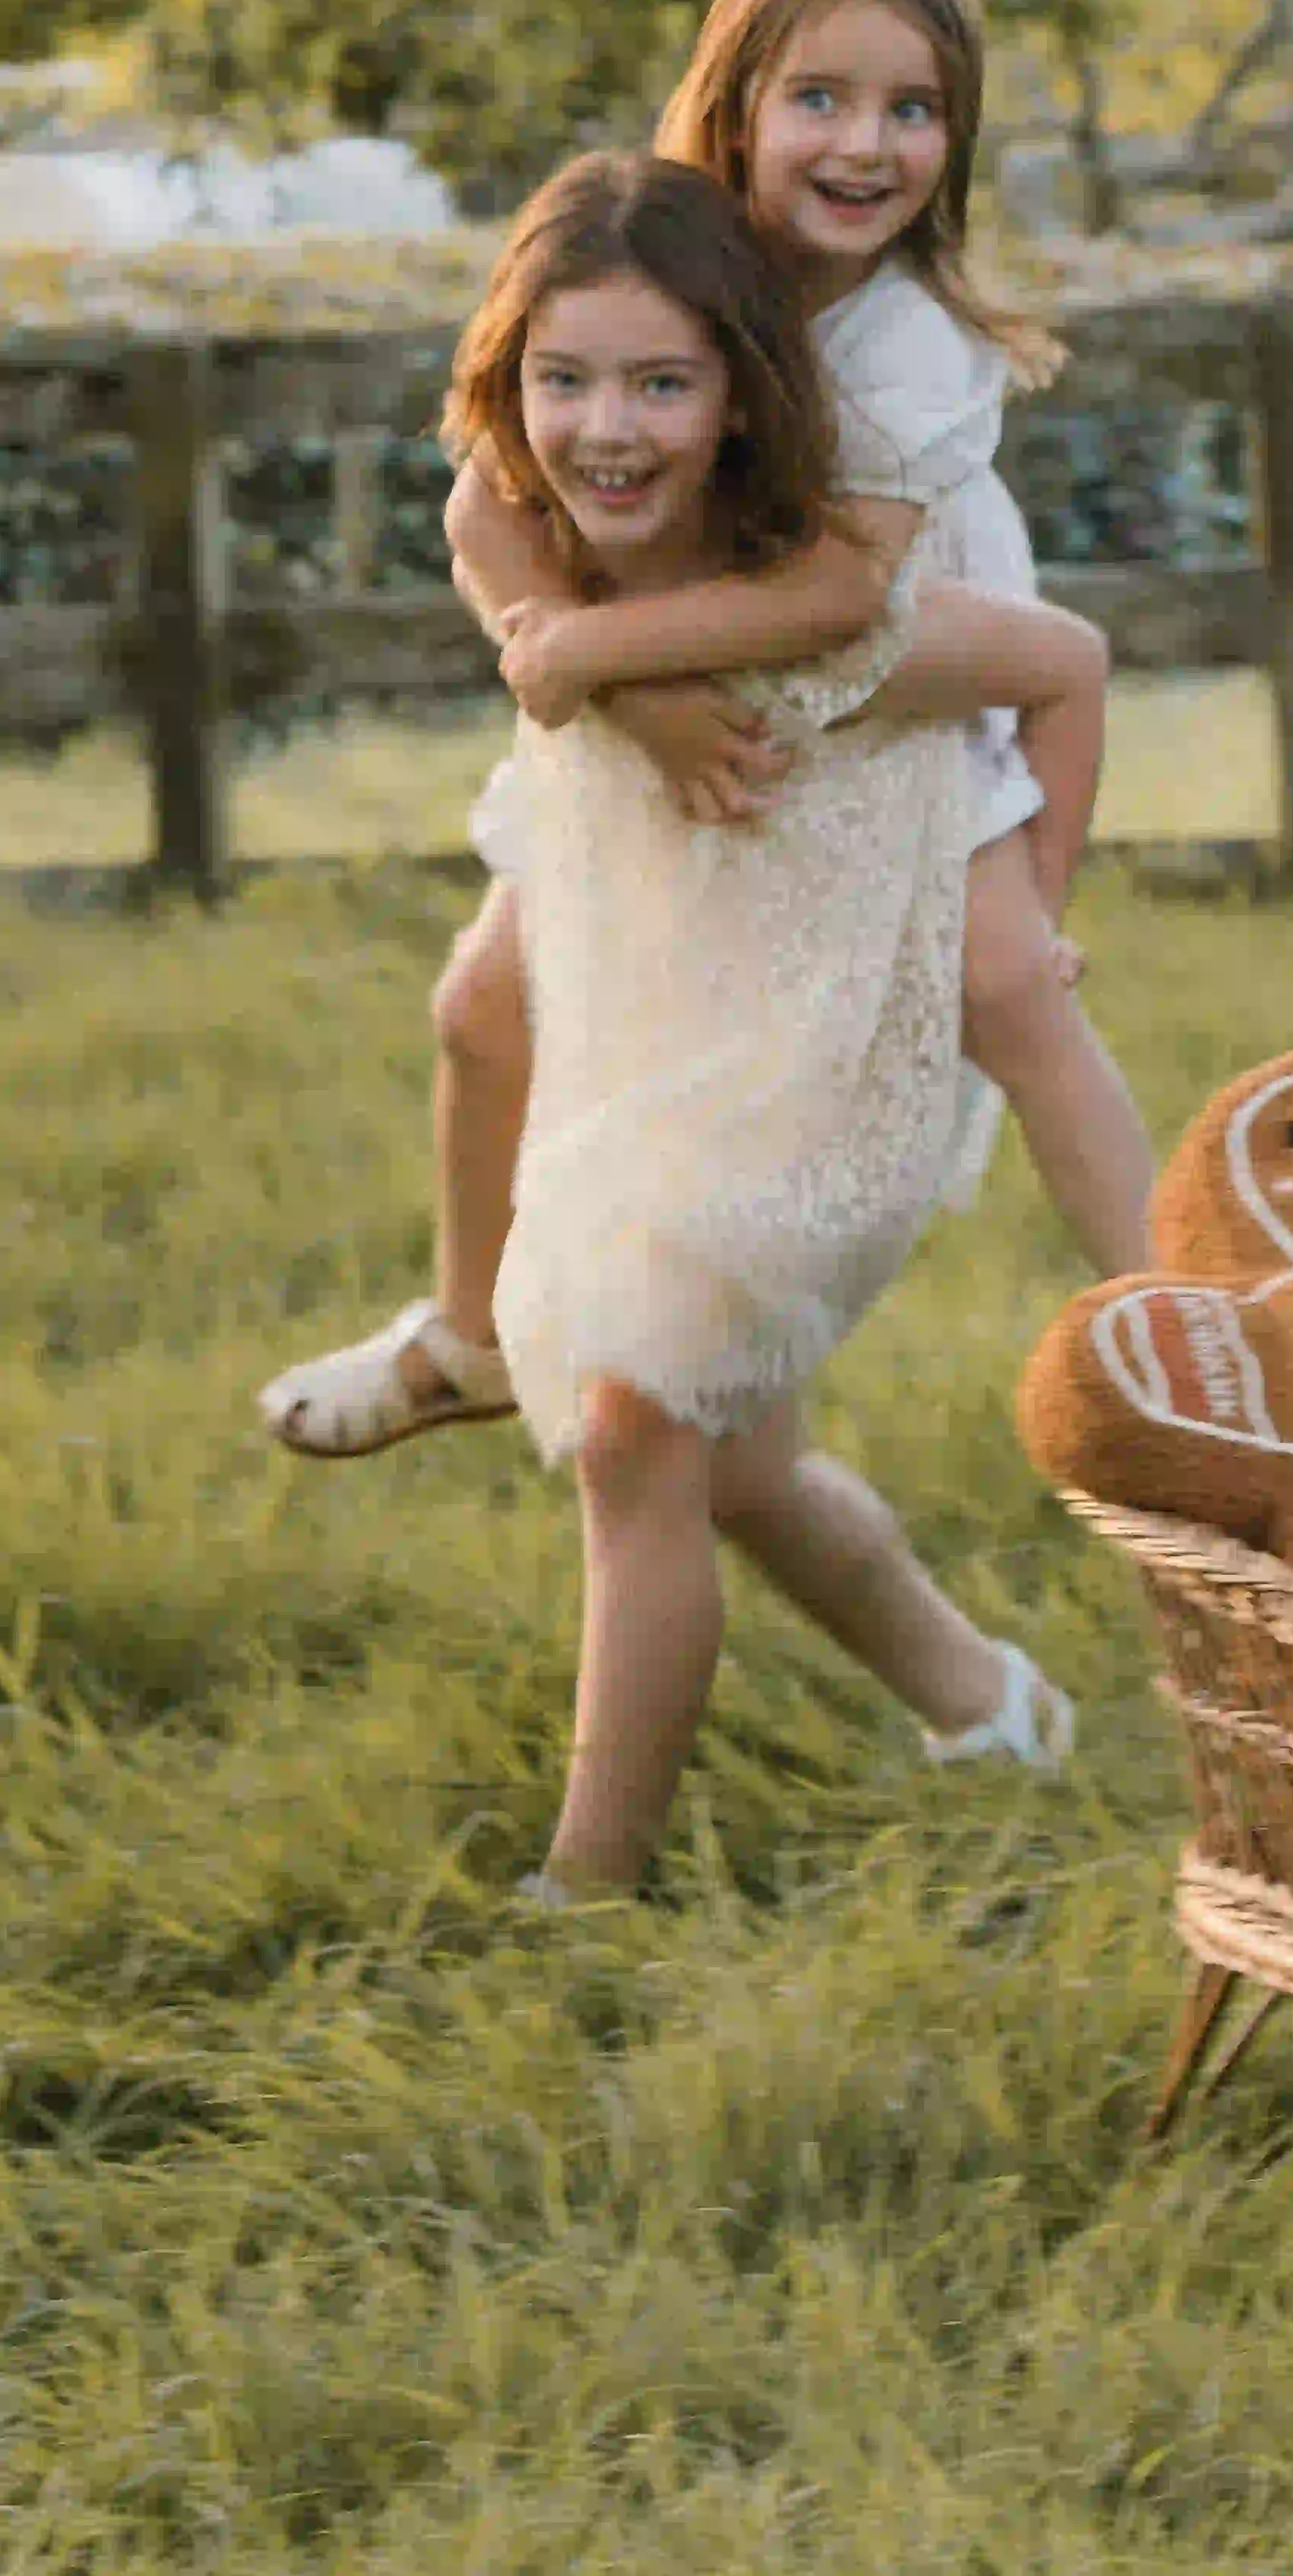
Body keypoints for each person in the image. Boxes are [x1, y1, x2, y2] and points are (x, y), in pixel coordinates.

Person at [259, 0, 1158, 1462]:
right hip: (691, 679)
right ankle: (467, 1339)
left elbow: (839, 598)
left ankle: (1201, 1346)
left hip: (898, 675)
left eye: (913, 109)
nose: (865, 145)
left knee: (1005, 986)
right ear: (732, 96)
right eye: (818, 97)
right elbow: (483, 504)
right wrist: (619, 692)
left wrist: (585, 657)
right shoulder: (649, 254)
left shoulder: (912, 348)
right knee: (485, 1003)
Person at [443, 150, 1077, 1895]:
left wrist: (1030, 922)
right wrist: (599, 677)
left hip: (824, 1077)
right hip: (644, 1063)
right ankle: (988, 1700)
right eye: (563, 382)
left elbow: (1067, 662)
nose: (607, 428)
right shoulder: (554, 575)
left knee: (639, 1431)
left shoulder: (830, 605)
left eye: (661, 383)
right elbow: (486, 534)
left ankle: (588, 1885)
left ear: (740, 398)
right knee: (743, 1475)